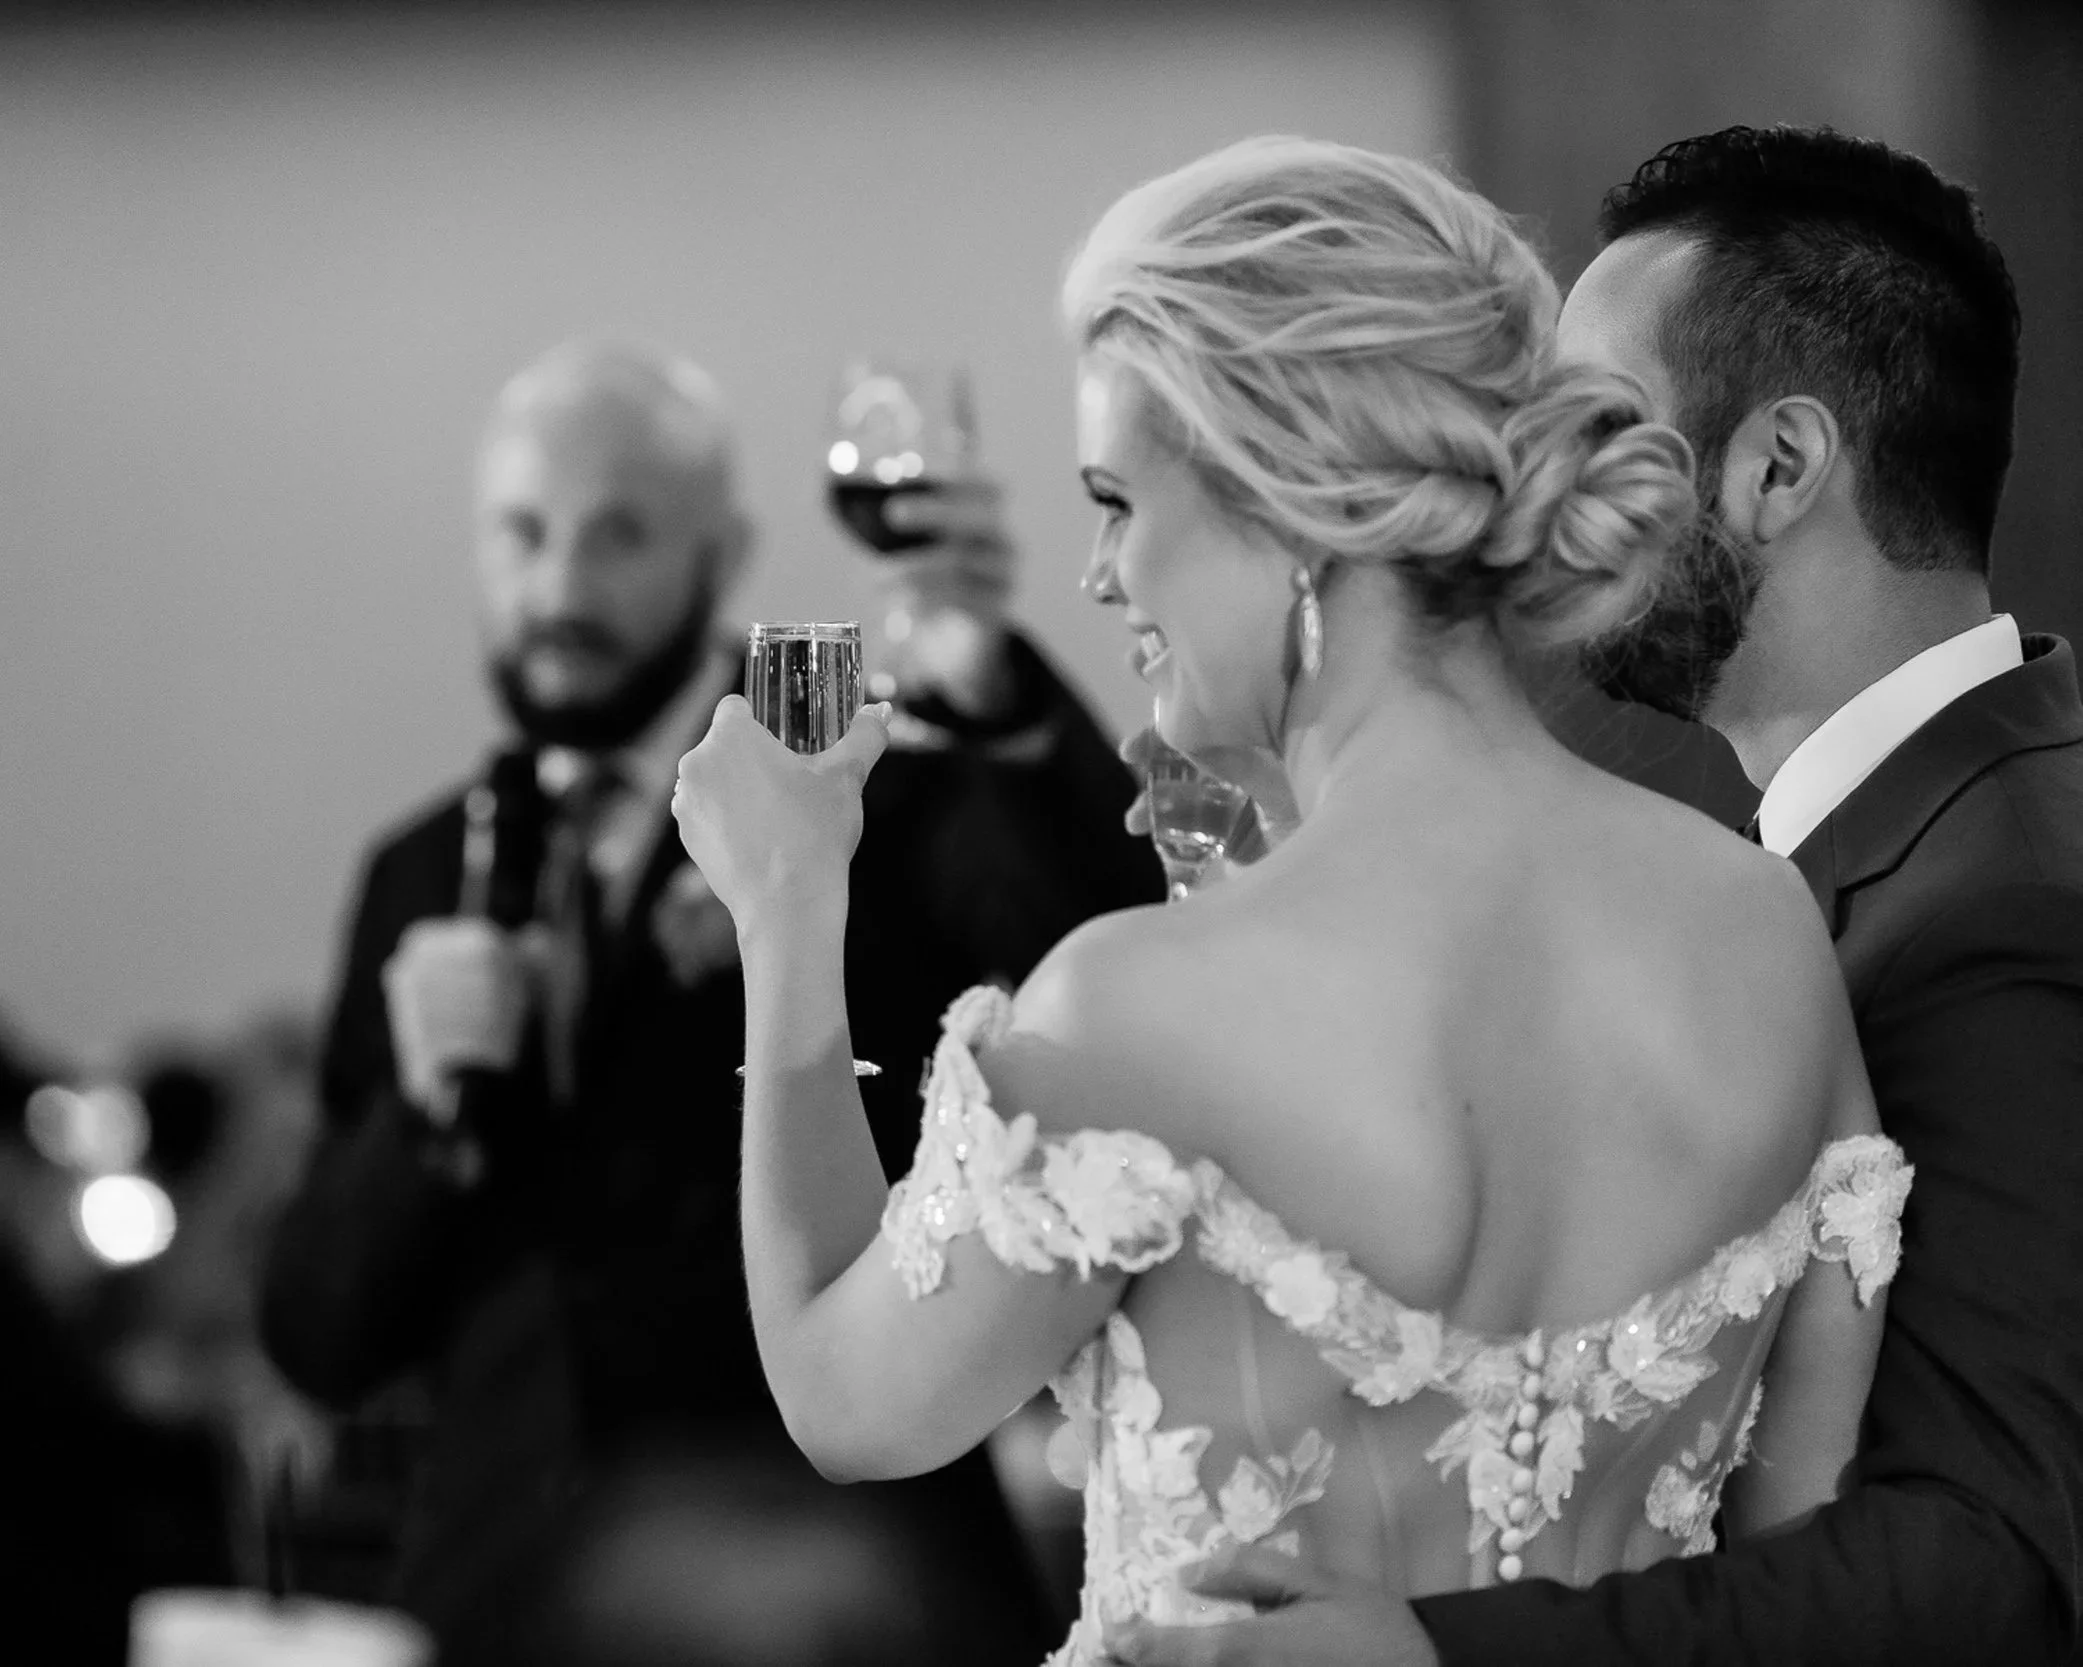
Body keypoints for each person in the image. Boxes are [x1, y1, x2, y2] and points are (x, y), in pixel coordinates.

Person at [666, 136, 1913, 1667]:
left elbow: (844, 1402)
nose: (1100, 574)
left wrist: (789, 909)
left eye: (1117, 499)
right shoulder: (1761, 931)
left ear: (1291, 505)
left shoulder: (1138, 1007)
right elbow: (1805, 1544)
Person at [1115, 127, 2083, 1667]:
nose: (1531, 493)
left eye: (1598, 425)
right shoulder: (1845, 824)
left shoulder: (2006, 913)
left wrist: (1437, 1651)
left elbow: (1984, 1562)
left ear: (1776, 468)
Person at [259, 341, 1163, 1665]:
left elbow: (1102, 945)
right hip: (506, 1601)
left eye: (616, 533)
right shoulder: (418, 871)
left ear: (723, 549)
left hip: (828, 1596)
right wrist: (422, 1115)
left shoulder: (858, 788)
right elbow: (319, 1337)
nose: (559, 586)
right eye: (523, 533)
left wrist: (987, 687)